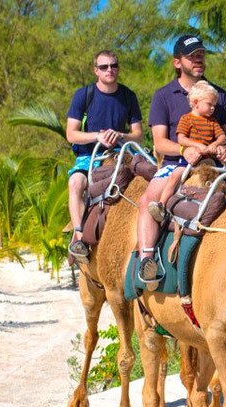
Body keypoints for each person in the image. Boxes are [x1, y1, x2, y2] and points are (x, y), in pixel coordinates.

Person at [137, 34, 226, 282]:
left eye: (201, 55)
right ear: (177, 63)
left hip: (216, 165)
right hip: (176, 163)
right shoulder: (163, 96)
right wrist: (184, 151)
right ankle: (146, 260)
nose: (198, 60)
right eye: (192, 57)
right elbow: (159, 142)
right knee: (147, 199)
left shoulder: (218, 95)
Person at [65, 50, 143, 261]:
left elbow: (138, 136)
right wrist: (97, 137)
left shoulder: (128, 96)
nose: (110, 70)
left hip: (120, 154)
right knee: (75, 184)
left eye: (113, 66)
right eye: (104, 67)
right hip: (88, 158)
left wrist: (120, 135)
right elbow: (71, 134)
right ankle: (80, 236)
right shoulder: (84, 95)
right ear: (96, 70)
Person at [145, 80, 226, 223]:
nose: (213, 108)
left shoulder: (213, 122)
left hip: (213, 160)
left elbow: (223, 136)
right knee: (175, 176)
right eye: (209, 105)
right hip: (190, 159)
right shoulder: (186, 119)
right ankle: (161, 204)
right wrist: (195, 146)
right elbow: (181, 138)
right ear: (196, 102)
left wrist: (215, 144)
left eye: (214, 105)